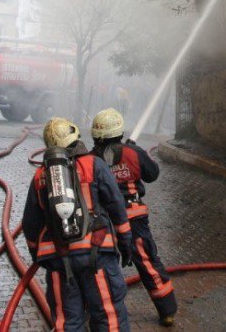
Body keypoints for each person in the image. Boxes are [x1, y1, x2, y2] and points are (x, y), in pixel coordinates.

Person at [22, 117, 135, 332]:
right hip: (97, 254)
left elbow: (30, 223)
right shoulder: (94, 164)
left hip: (59, 259)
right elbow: (116, 205)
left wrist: (37, 254)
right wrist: (126, 241)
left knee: (67, 322)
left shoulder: (41, 176)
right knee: (108, 315)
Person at [91, 108, 177, 327]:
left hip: (105, 221)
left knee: (100, 265)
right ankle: (167, 312)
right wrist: (133, 155)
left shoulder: (91, 160)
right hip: (134, 217)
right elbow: (153, 173)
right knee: (147, 261)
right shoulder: (133, 152)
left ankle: (100, 313)